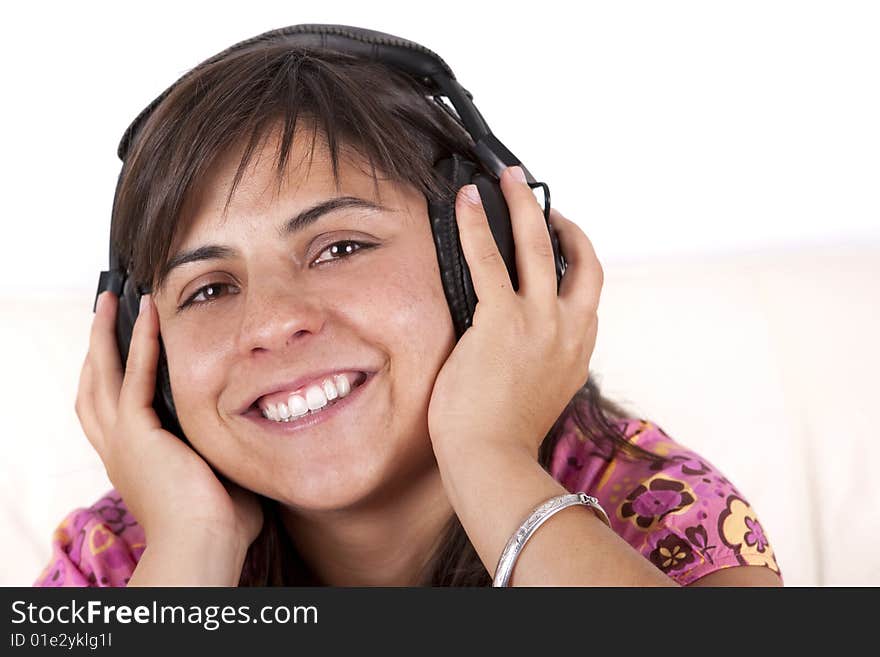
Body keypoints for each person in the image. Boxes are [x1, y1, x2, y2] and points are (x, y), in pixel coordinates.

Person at [34, 28, 782, 587]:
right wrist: (193, 544)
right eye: (210, 289)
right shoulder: (129, 555)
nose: (270, 323)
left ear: (487, 255)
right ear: (144, 348)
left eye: (339, 248)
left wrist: (488, 455)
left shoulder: (652, 503)